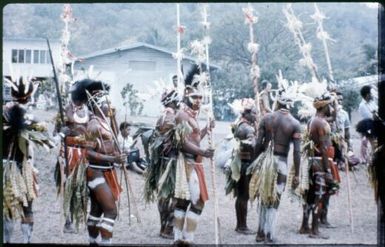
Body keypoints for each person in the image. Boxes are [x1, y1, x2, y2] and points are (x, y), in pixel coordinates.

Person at [3, 77, 53, 243]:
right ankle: (26, 241)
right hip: (22, 167)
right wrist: (61, 134)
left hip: (5, 168)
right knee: (26, 207)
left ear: (12, 95)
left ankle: (8, 241)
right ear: (30, 97)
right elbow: (50, 144)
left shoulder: (5, 114)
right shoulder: (30, 118)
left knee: (7, 208)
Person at [173, 64, 215, 245]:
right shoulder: (182, 115)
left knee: (184, 202)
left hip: (194, 162)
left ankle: (179, 239)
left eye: (200, 97)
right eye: (195, 97)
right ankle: (186, 239)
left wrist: (207, 128)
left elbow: (195, 138)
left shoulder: (192, 115)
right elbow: (182, 143)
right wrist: (202, 152)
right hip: (188, 163)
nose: (198, 100)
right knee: (197, 203)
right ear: (186, 96)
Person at [251, 94, 301, 243]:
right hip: (281, 163)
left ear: (277, 103)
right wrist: (297, 174)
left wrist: (255, 164)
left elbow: (258, 144)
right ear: (290, 105)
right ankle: (269, 235)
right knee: (275, 198)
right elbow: (297, 152)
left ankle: (260, 233)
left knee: (264, 196)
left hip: (265, 161)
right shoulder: (294, 123)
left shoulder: (267, 118)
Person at [84, 80, 127, 245]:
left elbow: (114, 139)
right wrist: (112, 159)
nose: (110, 106)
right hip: (96, 172)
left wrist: (114, 117)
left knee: (97, 210)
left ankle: (92, 242)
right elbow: (88, 153)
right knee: (111, 211)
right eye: (106, 104)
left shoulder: (104, 122)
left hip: (107, 171)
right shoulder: (93, 125)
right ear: (97, 106)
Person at [54, 79, 94, 233]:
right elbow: (57, 132)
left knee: (82, 186)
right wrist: (63, 132)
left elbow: (91, 134)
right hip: (69, 152)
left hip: (83, 153)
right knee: (68, 185)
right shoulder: (65, 110)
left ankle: (79, 217)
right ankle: (68, 221)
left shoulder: (89, 112)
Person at [299, 93, 340, 239]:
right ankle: (314, 230)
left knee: (310, 195)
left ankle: (305, 226)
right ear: (324, 106)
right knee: (319, 196)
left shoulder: (314, 120)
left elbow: (333, 117)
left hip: (314, 160)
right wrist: (328, 170)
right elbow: (323, 147)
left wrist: (334, 102)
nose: (331, 108)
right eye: (329, 105)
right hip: (320, 162)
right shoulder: (320, 123)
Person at [144, 88, 180, 239]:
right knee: (173, 196)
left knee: (164, 195)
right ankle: (168, 228)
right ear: (172, 101)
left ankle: (163, 227)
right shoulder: (171, 116)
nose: (180, 103)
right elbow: (176, 141)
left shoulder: (163, 115)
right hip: (170, 162)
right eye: (178, 100)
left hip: (162, 161)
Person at [225, 98, 258, 235]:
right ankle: (242, 226)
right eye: (254, 113)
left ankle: (240, 224)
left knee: (240, 196)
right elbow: (253, 145)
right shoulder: (248, 128)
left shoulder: (238, 124)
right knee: (243, 196)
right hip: (246, 165)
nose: (256, 116)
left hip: (239, 164)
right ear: (247, 114)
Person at [358, 85, 378, 164]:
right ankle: (373, 160)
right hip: (368, 125)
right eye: (371, 93)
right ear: (367, 95)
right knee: (372, 143)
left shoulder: (372, 102)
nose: (372, 95)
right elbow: (370, 117)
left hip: (375, 124)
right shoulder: (362, 105)